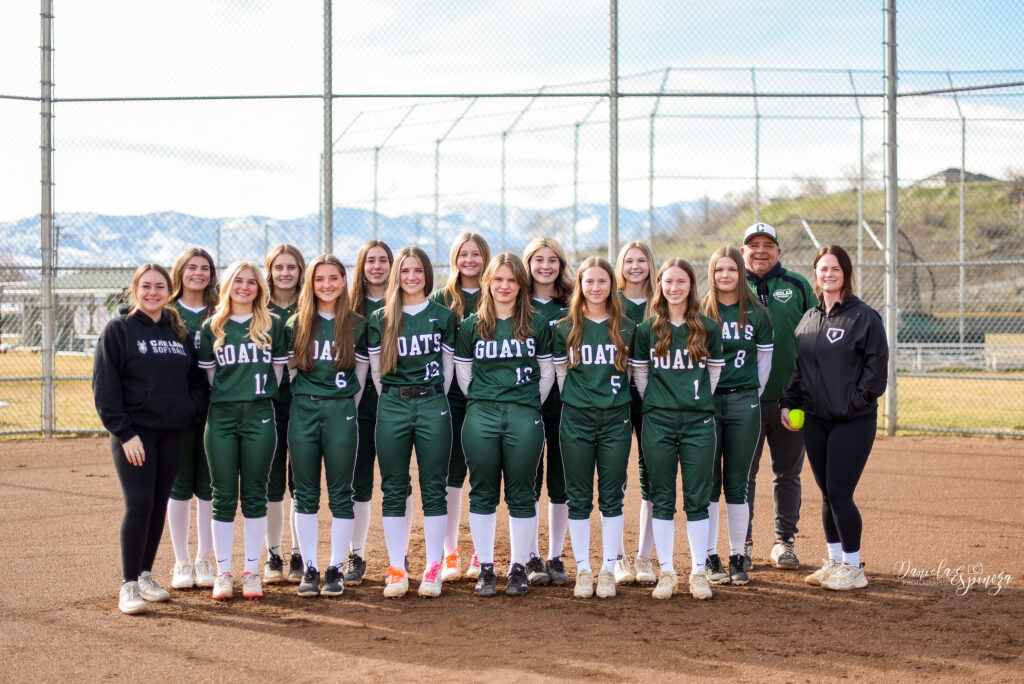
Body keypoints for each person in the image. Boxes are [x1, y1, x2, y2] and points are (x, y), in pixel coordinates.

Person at [93, 264, 206, 614]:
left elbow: (195, 379)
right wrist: (125, 433)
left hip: (171, 432)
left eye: (160, 286)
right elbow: (105, 386)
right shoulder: (119, 330)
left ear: (169, 291)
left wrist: (187, 410)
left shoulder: (177, 330)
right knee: (139, 503)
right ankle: (128, 584)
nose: (153, 292)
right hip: (135, 435)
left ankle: (144, 574)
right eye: (146, 286)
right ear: (135, 289)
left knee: (159, 504)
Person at [781, 245, 888, 591]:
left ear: (846, 273)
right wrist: (789, 402)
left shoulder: (864, 317)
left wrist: (853, 403)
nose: (828, 274)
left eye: (835, 269)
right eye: (823, 268)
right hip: (816, 420)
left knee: (841, 492)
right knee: (827, 493)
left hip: (852, 421)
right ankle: (834, 561)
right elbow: (799, 370)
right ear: (815, 273)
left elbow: (876, 371)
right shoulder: (809, 318)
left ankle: (854, 568)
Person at [455, 253, 555, 597]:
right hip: (481, 413)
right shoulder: (471, 325)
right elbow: (464, 374)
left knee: (521, 492)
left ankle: (517, 567)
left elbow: (546, 373)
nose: (504, 286)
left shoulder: (537, 324)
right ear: (488, 283)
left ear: (521, 285)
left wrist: (526, 403)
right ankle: (486, 567)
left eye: (511, 280)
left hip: (523, 413)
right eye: (498, 279)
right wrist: (485, 398)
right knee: (482, 491)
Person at [630, 259, 724, 600]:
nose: (674, 287)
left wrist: (693, 401)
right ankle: (668, 571)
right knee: (662, 497)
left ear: (691, 286)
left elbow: (713, 373)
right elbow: (641, 375)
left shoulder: (708, 328)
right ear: (660, 286)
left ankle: (698, 572)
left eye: (681, 281)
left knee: (698, 498)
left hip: (698, 422)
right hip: (658, 421)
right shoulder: (647, 330)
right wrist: (659, 402)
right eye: (668, 281)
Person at [367, 246, 457, 598]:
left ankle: (433, 567)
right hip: (393, 403)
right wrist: (396, 397)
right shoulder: (381, 317)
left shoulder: (442, 316)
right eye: (405, 271)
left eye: (418, 270)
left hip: (432, 401)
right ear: (396, 275)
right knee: (393, 487)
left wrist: (431, 396)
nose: (411, 276)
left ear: (427, 274)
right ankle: (397, 568)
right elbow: (377, 373)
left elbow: (448, 370)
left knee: (434, 486)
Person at [198, 261, 289, 600]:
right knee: (223, 496)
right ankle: (223, 572)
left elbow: (277, 371)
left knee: (254, 494)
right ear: (227, 286)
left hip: (259, 413)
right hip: (221, 416)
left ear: (259, 288)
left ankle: (251, 572)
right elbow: (211, 376)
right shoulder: (213, 326)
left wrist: (255, 395)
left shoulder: (272, 324)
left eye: (252, 282)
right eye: (238, 281)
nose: (245, 287)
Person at [286, 255, 369, 598]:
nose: (327, 285)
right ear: (311, 282)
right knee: (304, 493)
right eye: (320, 279)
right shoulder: (296, 323)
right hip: (303, 410)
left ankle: (335, 567)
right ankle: (310, 567)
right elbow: (291, 370)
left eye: (333, 278)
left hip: (341, 410)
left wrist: (345, 407)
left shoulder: (357, 323)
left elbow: (361, 375)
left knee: (341, 493)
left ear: (344, 280)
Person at [553, 257, 636, 598]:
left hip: (615, 419)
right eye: (589, 281)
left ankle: (607, 569)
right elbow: (560, 376)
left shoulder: (626, 327)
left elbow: (635, 375)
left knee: (612, 497)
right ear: (580, 285)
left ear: (612, 285)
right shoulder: (565, 327)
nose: (596, 287)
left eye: (603, 281)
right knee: (578, 497)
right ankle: (584, 569)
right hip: (576, 419)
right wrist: (580, 399)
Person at [741, 223, 817, 570]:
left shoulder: (797, 285)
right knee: (743, 476)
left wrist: (804, 393)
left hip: (791, 401)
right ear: (742, 251)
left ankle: (784, 541)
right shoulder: (730, 283)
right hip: (744, 401)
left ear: (779, 251)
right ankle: (742, 542)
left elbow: (817, 334)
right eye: (753, 244)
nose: (761, 250)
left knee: (787, 474)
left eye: (768, 244)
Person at [701, 246, 773, 587]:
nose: (725, 275)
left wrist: (749, 396)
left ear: (741, 273)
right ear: (712, 274)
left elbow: (764, 364)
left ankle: (737, 556)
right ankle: (709, 556)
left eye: (731, 269)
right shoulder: (701, 311)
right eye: (719, 270)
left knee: (737, 484)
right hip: (707, 403)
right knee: (708, 483)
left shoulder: (757, 314)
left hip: (744, 402)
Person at [429, 232, 491, 582]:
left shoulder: (497, 291)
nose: (469, 260)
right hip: (450, 396)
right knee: (451, 474)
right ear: (454, 258)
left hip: (490, 395)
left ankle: (481, 551)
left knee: (485, 473)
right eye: (463, 254)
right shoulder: (440, 299)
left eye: (476, 254)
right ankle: (450, 551)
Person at [520, 236, 573, 586]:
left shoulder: (572, 301)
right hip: (526, 399)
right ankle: (531, 556)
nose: (545, 266)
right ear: (527, 263)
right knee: (530, 478)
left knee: (561, 480)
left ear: (561, 264)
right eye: (538, 259)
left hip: (565, 400)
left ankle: (555, 555)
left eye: (552, 259)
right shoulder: (517, 300)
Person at [166, 247, 219, 591]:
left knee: (209, 485)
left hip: (217, 405)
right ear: (181, 271)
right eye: (192, 267)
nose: (198, 273)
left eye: (205, 268)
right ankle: (181, 560)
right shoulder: (168, 312)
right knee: (180, 484)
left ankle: (204, 558)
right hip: (178, 407)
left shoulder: (221, 310)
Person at [343, 240, 394, 586]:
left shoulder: (403, 303)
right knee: (358, 482)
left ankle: (397, 555)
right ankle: (356, 554)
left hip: (396, 404)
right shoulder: (349, 309)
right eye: (370, 261)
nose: (377, 266)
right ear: (361, 266)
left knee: (396, 482)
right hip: (359, 404)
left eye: (383, 260)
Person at [614, 239, 658, 585]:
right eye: (629, 260)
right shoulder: (610, 301)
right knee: (614, 475)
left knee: (652, 475)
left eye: (641, 260)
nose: (635, 267)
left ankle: (644, 556)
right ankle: (617, 557)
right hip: (614, 396)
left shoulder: (662, 301)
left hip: (654, 397)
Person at [263, 245, 306, 584]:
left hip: (304, 400)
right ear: (270, 271)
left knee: (301, 481)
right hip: (267, 401)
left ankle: (299, 553)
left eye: (292, 266)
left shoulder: (311, 306)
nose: (285, 273)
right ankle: (273, 554)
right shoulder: (258, 309)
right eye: (279, 267)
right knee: (271, 480)